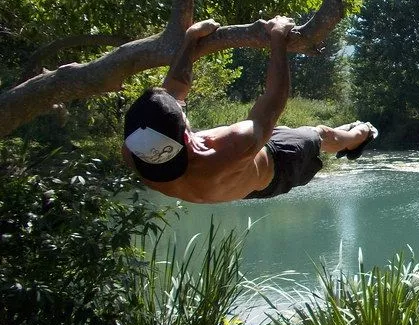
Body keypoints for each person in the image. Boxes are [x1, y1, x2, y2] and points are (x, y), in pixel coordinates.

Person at [122, 16, 376, 203]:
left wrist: (191, 37)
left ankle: (339, 136)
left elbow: (174, 89)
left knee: (282, 129)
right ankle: (359, 137)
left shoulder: (135, 153)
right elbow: (273, 101)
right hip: (278, 166)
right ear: (186, 137)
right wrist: (278, 39)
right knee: (318, 134)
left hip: (236, 179)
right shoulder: (231, 146)